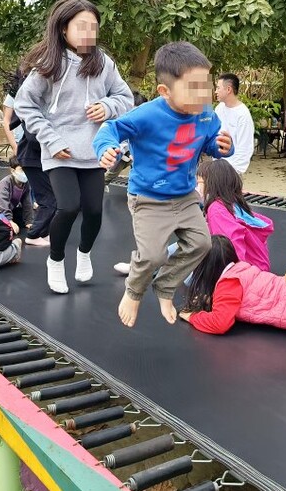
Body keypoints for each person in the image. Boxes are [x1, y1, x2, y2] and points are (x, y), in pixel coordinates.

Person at [95, 41, 233, 327]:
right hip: (148, 197)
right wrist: (106, 147)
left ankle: (165, 287)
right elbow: (111, 128)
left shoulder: (206, 113)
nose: (203, 94)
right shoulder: (147, 114)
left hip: (184, 197)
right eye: (193, 88)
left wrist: (223, 147)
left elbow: (211, 142)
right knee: (153, 255)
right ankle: (133, 291)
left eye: (206, 86)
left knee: (201, 244)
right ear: (165, 91)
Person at [14, 0, 134, 290]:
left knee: (93, 210)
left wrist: (107, 106)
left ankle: (84, 254)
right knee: (68, 207)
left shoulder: (104, 62)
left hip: (93, 149)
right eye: (82, 26)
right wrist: (51, 139)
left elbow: (125, 98)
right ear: (63, 28)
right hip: (59, 150)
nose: (88, 33)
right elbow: (25, 105)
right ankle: (55, 260)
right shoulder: (48, 64)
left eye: (94, 27)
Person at [112, 158, 273, 276]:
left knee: (187, 274)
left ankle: (146, 269)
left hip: (245, 271)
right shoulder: (232, 203)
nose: (196, 188)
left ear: (212, 186)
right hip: (258, 267)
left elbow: (232, 244)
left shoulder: (217, 209)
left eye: (199, 183)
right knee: (183, 245)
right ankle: (145, 267)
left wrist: (236, 277)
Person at [5, 66, 55, 248]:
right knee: (49, 200)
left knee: (51, 198)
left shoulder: (42, 106)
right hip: (32, 159)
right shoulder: (30, 110)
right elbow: (34, 137)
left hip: (37, 158)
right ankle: (34, 234)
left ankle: (45, 232)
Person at [214, 73, 255, 174]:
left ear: (228, 89)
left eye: (218, 88)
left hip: (232, 171)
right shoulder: (219, 108)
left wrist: (234, 171)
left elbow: (245, 148)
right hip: (217, 168)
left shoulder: (243, 115)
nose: (216, 91)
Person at [0, 156, 34, 236]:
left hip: (8, 207)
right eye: (22, 169)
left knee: (21, 218)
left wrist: (29, 221)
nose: (25, 172)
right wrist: (9, 220)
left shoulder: (26, 184)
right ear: (13, 171)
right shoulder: (5, 183)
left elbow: (27, 203)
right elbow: (2, 202)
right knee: (5, 226)